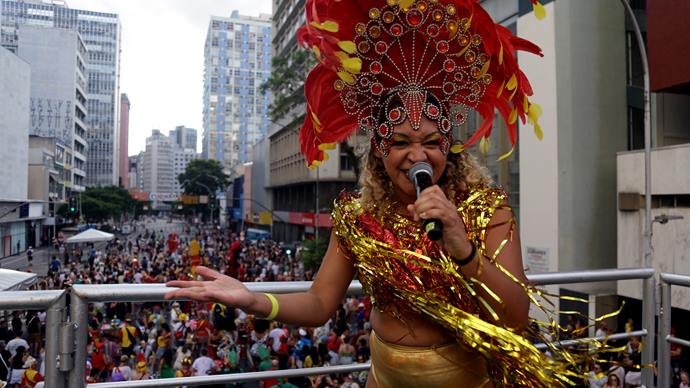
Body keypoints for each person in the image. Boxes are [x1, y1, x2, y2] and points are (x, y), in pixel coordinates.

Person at [165, 0, 569, 387]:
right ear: (379, 148)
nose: (418, 156)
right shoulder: (358, 218)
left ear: (448, 144)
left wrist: (462, 247)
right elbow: (320, 304)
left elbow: (515, 318)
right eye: (400, 143)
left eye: (430, 141)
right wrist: (253, 300)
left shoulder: (487, 208)